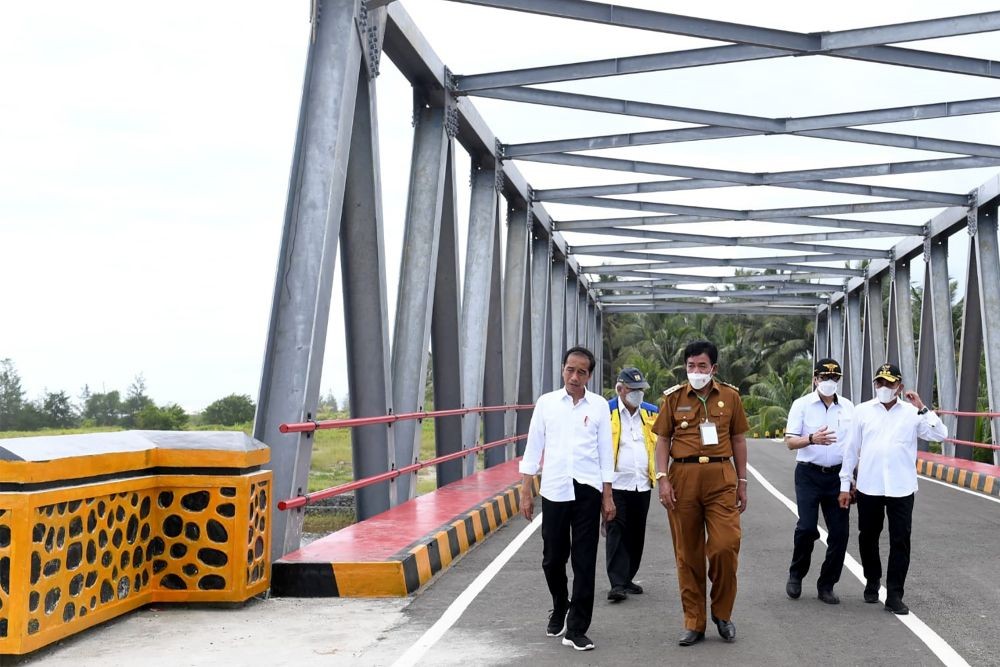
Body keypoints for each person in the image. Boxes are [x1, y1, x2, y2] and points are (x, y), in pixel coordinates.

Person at [652, 340, 749, 647]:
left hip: (721, 478)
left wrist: (743, 482)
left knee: (724, 546)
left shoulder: (731, 397)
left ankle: (722, 614)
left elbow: (738, 440)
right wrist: (663, 478)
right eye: (691, 366)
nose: (696, 371)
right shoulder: (674, 398)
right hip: (682, 479)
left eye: (702, 366)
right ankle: (694, 622)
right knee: (688, 555)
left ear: (713, 368)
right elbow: (662, 440)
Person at [520, 345, 616, 652]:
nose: (575, 377)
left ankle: (576, 628)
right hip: (555, 489)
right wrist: (526, 489)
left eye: (582, 372)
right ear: (563, 369)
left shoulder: (599, 406)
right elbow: (534, 447)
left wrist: (608, 495)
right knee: (552, 559)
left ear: (589, 375)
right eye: (570, 369)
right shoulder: (547, 403)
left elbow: (605, 452)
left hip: (588, 490)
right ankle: (561, 603)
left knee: (585, 561)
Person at [838, 363, 947, 615]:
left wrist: (922, 407)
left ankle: (895, 594)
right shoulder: (862, 411)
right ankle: (873, 580)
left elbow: (941, 435)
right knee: (868, 537)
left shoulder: (912, 413)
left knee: (900, 541)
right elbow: (851, 450)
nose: (884, 387)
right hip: (869, 486)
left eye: (889, 383)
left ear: (899, 386)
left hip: (901, 487)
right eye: (880, 383)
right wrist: (845, 485)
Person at [783, 358, 854, 605]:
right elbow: (790, 442)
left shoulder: (847, 408)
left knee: (840, 533)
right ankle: (796, 573)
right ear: (815, 379)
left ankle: (827, 584)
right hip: (808, 474)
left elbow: (853, 447)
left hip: (837, 477)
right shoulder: (801, 405)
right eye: (825, 378)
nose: (829, 382)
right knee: (806, 527)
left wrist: (850, 479)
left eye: (834, 378)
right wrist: (812, 439)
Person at [605, 367, 659, 602]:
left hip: (642, 483)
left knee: (637, 534)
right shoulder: (606, 412)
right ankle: (616, 583)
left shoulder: (651, 413)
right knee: (616, 531)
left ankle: (627, 577)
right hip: (616, 483)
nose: (638, 394)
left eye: (641, 390)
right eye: (633, 390)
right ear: (620, 389)